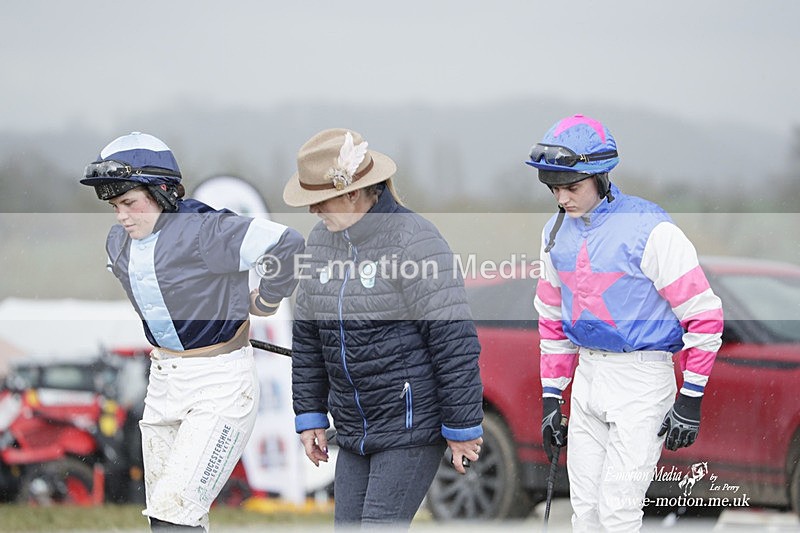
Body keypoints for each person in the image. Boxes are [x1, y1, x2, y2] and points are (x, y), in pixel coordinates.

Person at [80, 132, 304, 532]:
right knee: (166, 520)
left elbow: (288, 245)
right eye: (115, 206)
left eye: (130, 203)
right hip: (163, 383)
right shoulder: (117, 244)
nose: (121, 216)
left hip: (220, 386)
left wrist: (267, 300)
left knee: (173, 517)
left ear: (163, 193)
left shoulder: (208, 229)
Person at [525, 115, 724, 532]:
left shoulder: (651, 229)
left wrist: (690, 397)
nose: (562, 198)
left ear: (601, 177)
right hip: (589, 376)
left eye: (572, 187)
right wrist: (550, 399)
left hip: (642, 378)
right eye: (554, 188)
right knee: (584, 514)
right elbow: (552, 321)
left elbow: (704, 314)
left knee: (618, 513)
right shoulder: (553, 232)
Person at [283, 128, 484, 529]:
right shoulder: (319, 244)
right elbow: (308, 337)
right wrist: (310, 415)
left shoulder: (416, 241)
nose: (313, 212)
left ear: (353, 192)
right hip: (355, 429)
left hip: (410, 428)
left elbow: (453, 342)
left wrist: (462, 427)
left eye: (319, 201)